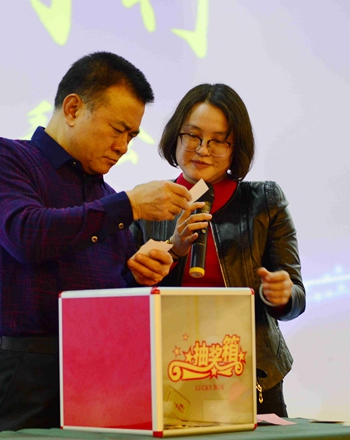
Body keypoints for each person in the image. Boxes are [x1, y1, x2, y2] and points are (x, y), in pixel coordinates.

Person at [0, 52, 192, 433]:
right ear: (73, 109)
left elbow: (113, 300)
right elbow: (27, 235)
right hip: (30, 374)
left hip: (106, 374)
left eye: (131, 136)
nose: (123, 146)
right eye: (117, 129)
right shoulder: (3, 159)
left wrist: (138, 275)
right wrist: (130, 205)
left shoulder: (108, 198)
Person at [131, 83, 306, 417]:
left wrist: (281, 295)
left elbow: (296, 297)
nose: (202, 150)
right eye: (193, 136)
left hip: (249, 372)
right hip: (172, 374)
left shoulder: (263, 201)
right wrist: (175, 251)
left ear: (235, 146)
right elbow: (128, 298)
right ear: (176, 136)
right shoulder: (147, 203)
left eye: (218, 141)